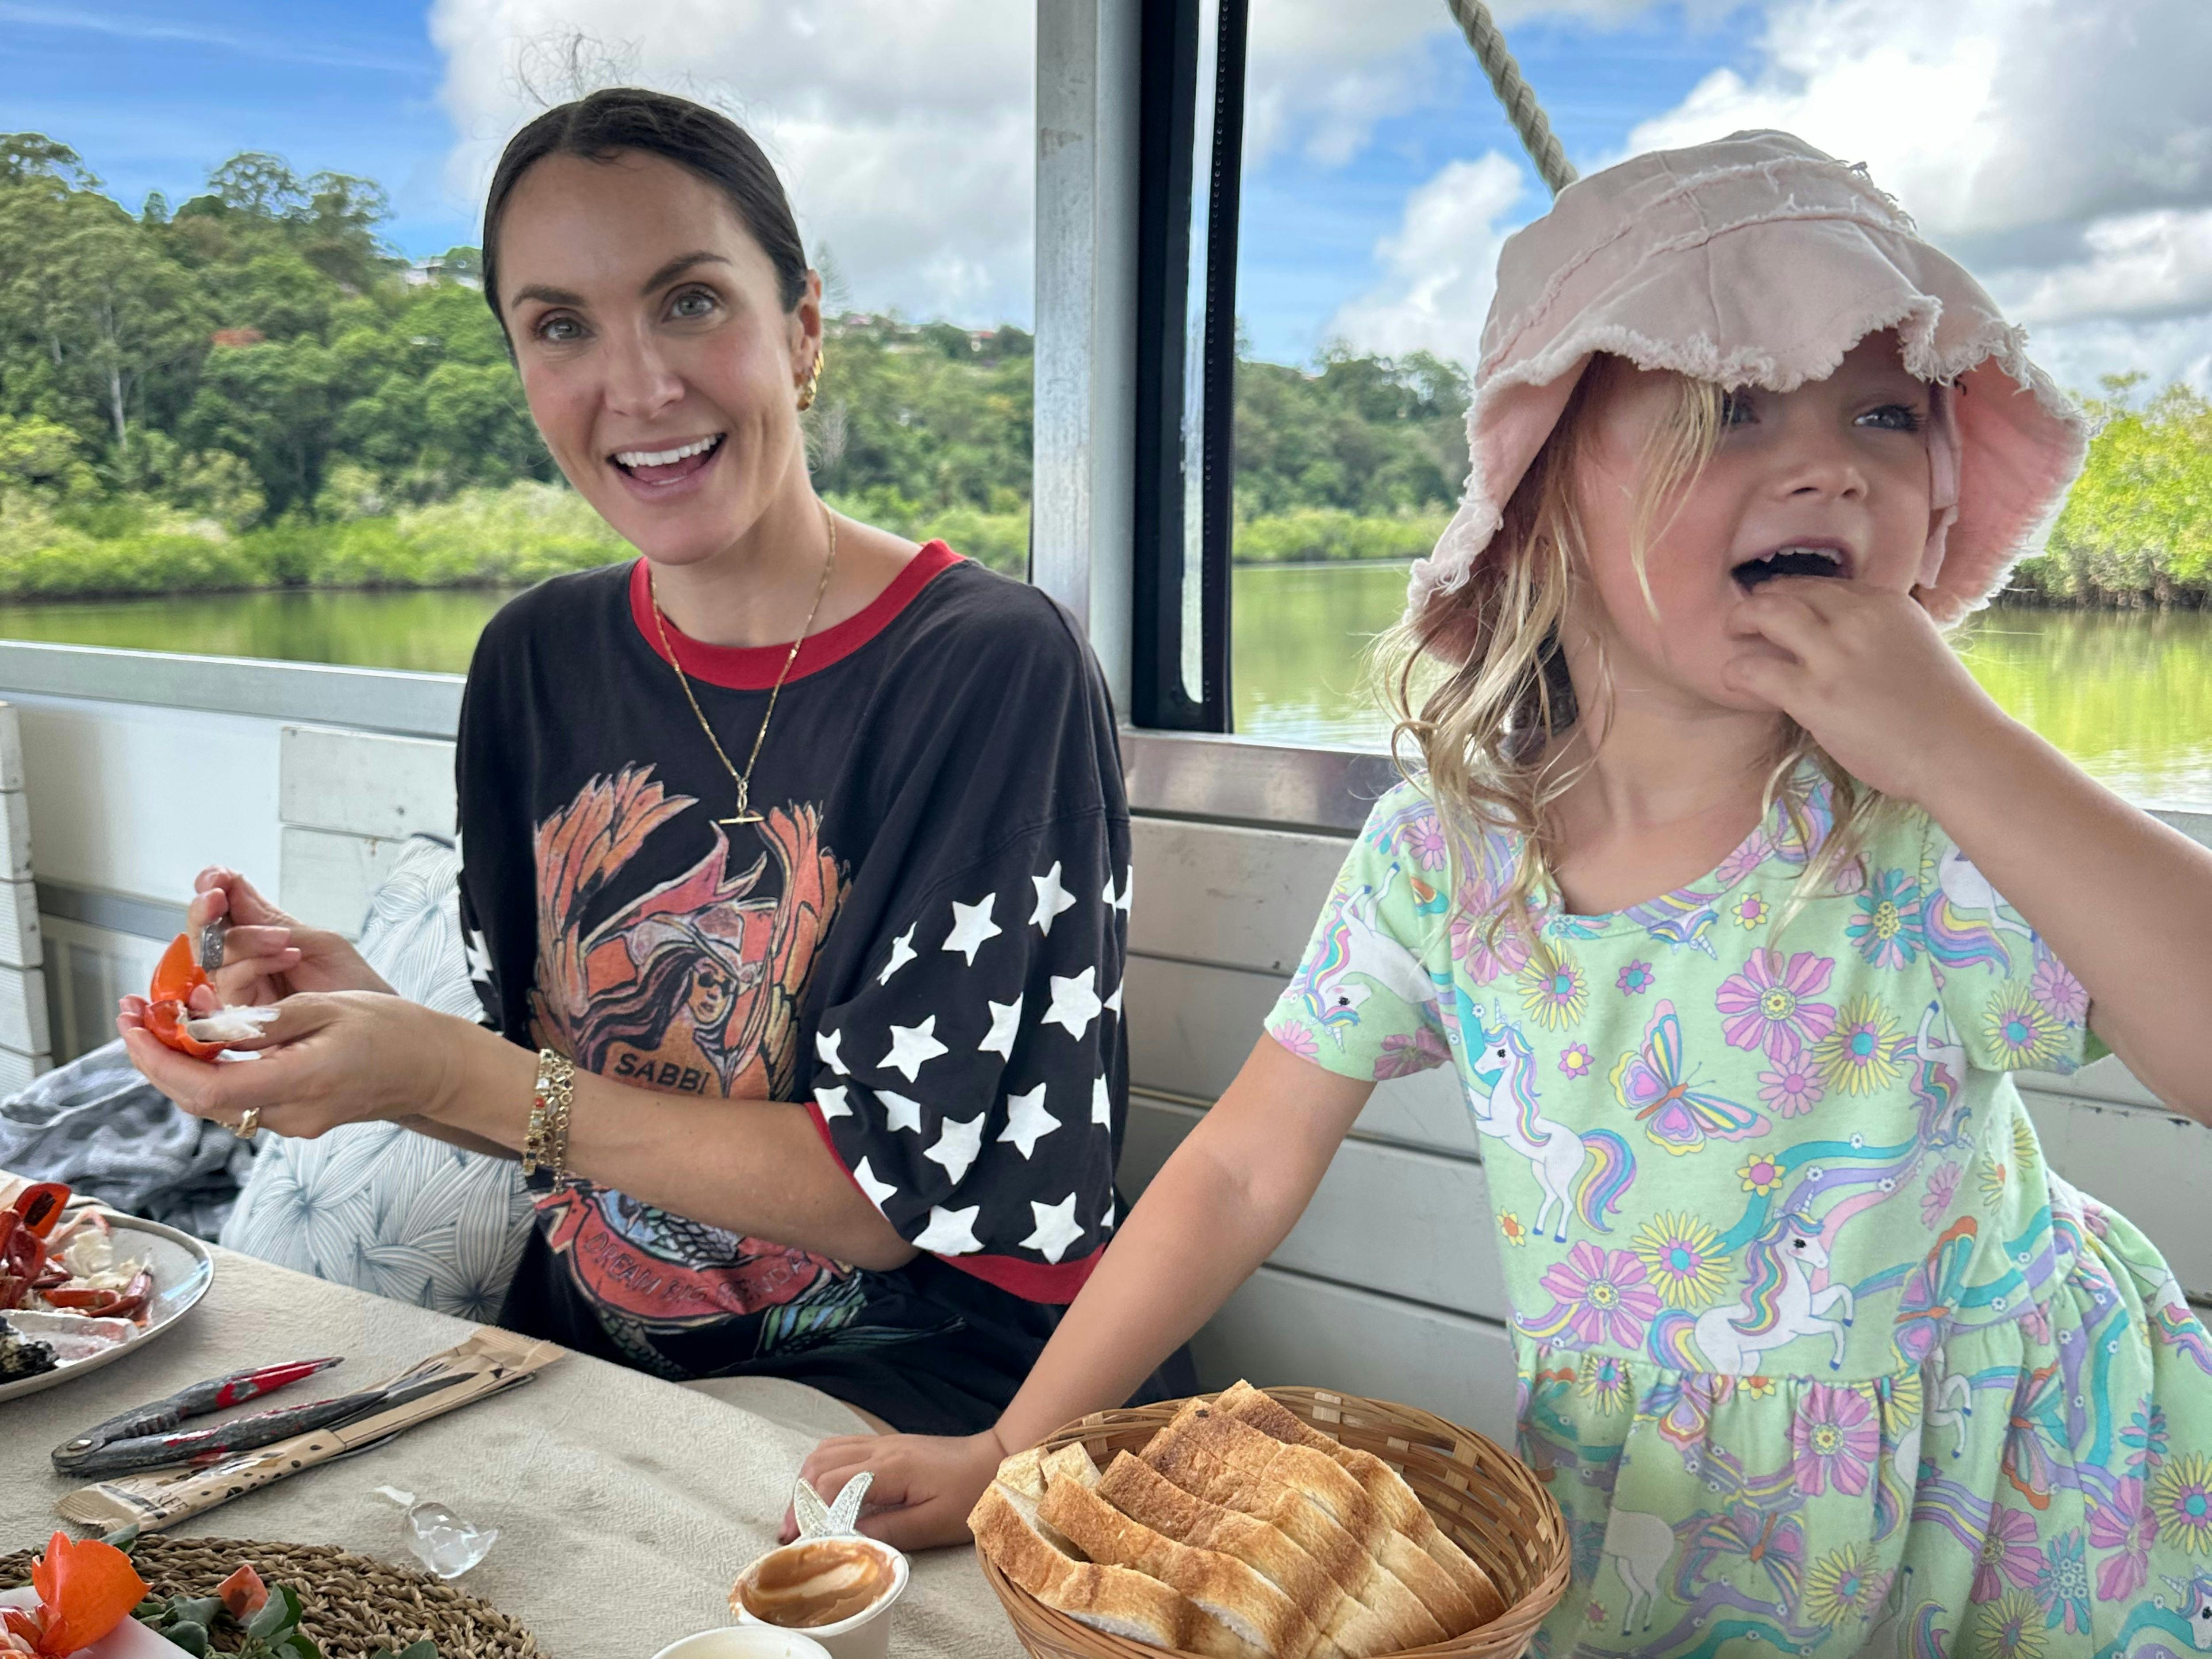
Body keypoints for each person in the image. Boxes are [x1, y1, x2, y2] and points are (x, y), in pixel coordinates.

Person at [790, 132, 2212, 1649]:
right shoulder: (1448, 860)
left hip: (2012, 1506)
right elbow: (1239, 1171)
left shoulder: (1926, 827)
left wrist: (1961, 747)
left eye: (1886, 413)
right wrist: (1017, 1443)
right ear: (1541, 504)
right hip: (1653, 1524)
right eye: (1734, 407)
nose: (1830, 465)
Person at [118, 86, 1191, 1437]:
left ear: (803, 328)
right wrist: (366, 1032)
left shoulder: (986, 665)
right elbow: (554, 1109)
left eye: (690, 302)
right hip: (600, 1352)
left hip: (938, 1388)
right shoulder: (534, 661)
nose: (638, 388)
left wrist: (441, 1073)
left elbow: (879, 1199)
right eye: (561, 326)